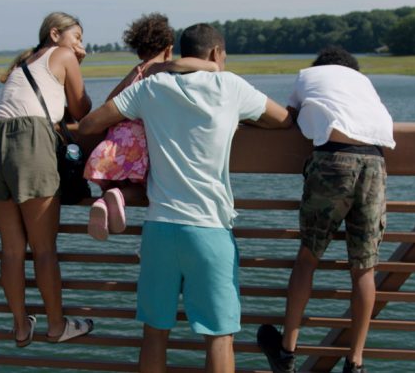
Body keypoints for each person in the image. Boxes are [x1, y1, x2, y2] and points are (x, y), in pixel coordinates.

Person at [79, 23, 293, 372]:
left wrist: (153, 73)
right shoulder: (230, 85)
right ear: (215, 54)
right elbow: (283, 120)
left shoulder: (151, 87)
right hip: (210, 230)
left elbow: (89, 125)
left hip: (160, 229)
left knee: (154, 333)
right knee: (220, 337)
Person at [256, 47, 395, 373]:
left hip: (334, 159)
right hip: (375, 163)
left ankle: (286, 353)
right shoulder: (364, 83)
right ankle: (356, 362)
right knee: (363, 268)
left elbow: (288, 117)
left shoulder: (308, 76)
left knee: (308, 258)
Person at [0, 11, 95, 348]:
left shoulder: (25, 61)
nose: (81, 45)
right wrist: (77, 64)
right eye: (78, 37)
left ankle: (20, 327)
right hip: (29, 141)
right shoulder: (64, 55)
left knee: (12, 248)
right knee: (44, 248)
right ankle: (56, 325)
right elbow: (81, 109)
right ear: (55, 34)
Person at [84, 13, 218, 240]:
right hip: (141, 144)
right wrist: (178, 63)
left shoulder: (135, 72)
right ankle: (117, 197)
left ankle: (105, 202)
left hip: (118, 141)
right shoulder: (162, 70)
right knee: (150, 186)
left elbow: (110, 103)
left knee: (116, 184)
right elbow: (211, 67)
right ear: (168, 48)